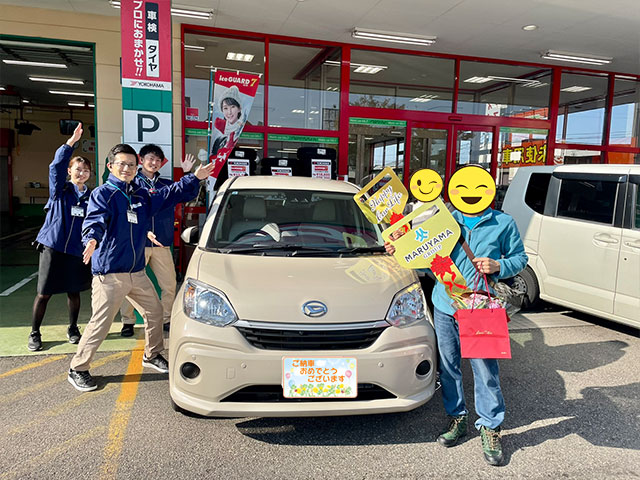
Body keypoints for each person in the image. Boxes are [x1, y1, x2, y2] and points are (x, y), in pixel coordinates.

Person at [385, 170, 527, 466]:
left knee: (485, 370)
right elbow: (422, 259)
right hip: (445, 303)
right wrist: (398, 248)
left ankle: (490, 426)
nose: (471, 193)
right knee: (449, 367)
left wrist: (498, 265)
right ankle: (457, 418)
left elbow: (520, 259)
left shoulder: (503, 223)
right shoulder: (442, 219)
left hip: (480, 306)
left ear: (488, 190)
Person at [67, 144, 214, 392]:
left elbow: (168, 195)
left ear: (137, 168)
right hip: (111, 273)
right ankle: (77, 368)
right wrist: (91, 238)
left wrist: (194, 177)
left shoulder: (139, 195)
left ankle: (152, 354)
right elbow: (95, 219)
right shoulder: (104, 194)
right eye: (122, 164)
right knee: (101, 323)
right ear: (110, 166)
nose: (127, 168)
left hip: (137, 272)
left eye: (131, 165)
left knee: (154, 312)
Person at [119, 144, 198, 337]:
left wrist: (188, 174)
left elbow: (189, 194)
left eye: (157, 160)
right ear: (141, 160)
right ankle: (127, 321)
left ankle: (166, 319)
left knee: (169, 284)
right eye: (150, 158)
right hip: (137, 243)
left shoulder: (166, 185)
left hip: (162, 243)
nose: (154, 163)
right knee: (129, 284)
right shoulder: (131, 184)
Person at [28, 123, 92, 351]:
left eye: (86, 170)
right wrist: (70, 144)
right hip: (52, 247)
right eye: (78, 169)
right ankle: (35, 332)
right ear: (69, 171)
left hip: (76, 250)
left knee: (74, 292)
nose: (81, 173)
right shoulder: (59, 191)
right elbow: (55, 167)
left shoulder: (91, 197)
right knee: (44, 293)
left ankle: (73, 328)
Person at [211, 85, 243, 157]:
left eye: (233, 107)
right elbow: (214, 157)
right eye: (225, 108)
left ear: (239, 108)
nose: (229, 112)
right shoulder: (219, 139)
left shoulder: (241, 130)